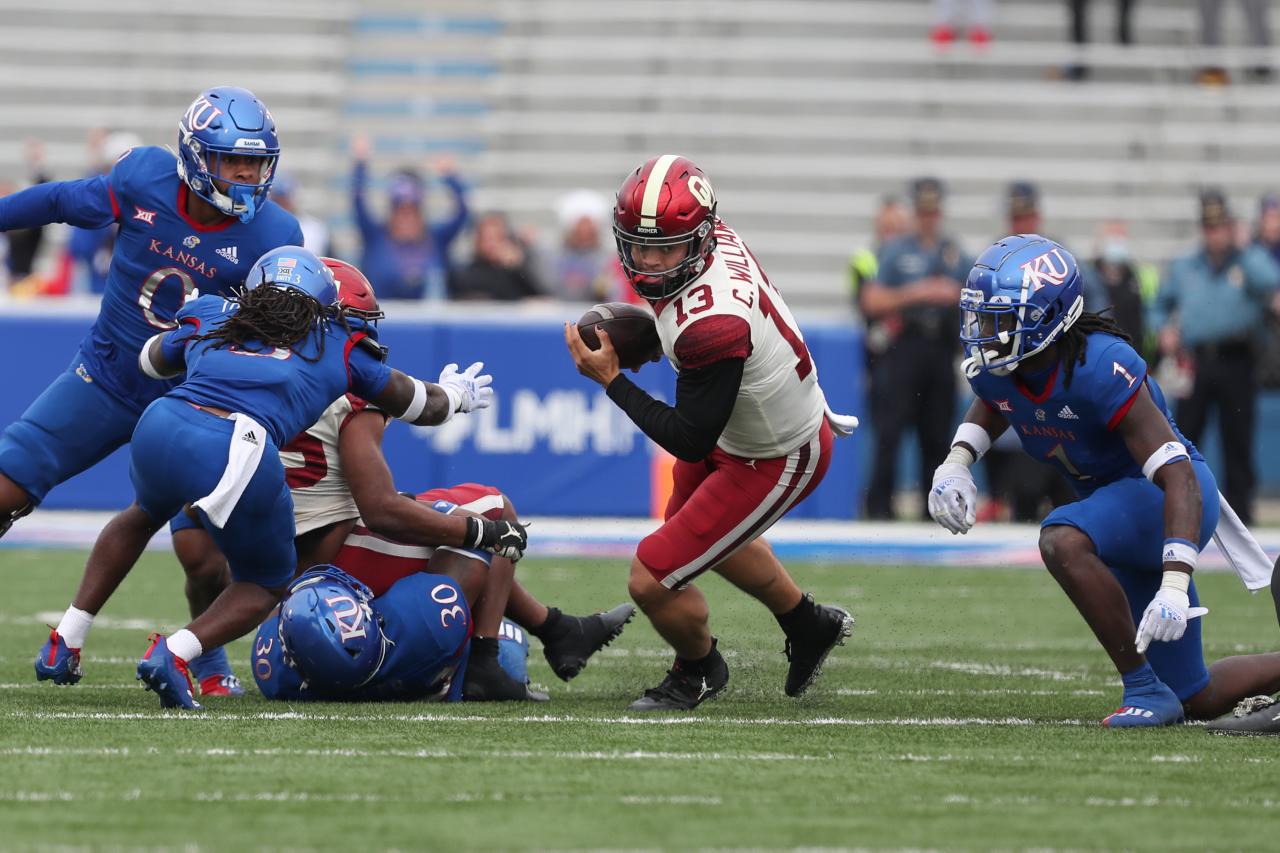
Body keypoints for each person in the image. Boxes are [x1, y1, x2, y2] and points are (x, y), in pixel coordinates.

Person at [35, 247, 515, 710]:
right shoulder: (335, 345)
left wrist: (195, 329)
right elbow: (420, 405)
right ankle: (175, 652)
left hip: (162, 422)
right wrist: (456, 394)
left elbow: (149, 360)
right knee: (266, 583)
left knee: (141, 516)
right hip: (237, 447)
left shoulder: (215, 313)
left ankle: (66, 638)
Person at [3, 87, 303, 694]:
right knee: (5, 485)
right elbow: (62, 201)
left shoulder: (276, 233)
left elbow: (282, 337)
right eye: (233, 160)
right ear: (195, 157)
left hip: (194, 404)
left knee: (201, 556)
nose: (248, 174)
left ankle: (205, 659)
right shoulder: (143, 179)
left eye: (257, 161)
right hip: (107, 379)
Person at [928, 234, 1280, 727]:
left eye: (1000, 318)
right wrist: (958, 461)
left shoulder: (1099, 366)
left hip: (1167, 499)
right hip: (1117, 509)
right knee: (1194, 697)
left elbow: (1178, 475)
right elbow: (997, 400)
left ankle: (1140, 687)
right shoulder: (1003, 367)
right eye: (982, 316)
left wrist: (1176, 582)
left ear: (1046, 316)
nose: (984, 331)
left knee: (1062, 539)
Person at [564, 154, 858, 711]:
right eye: (639, 245)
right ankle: (809, 624)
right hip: (744, 426)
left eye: (665, 248)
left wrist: (611, 381)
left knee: (653, 575)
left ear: (698, 239)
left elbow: (689, 436)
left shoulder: (713, 322)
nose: (649, 262)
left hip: (776, 454)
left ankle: (698, 670)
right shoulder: (707, 238)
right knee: (695, 540)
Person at [1154, 191, 1280, 525]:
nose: (1215, 234)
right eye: (1210, 228)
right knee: (1184, 435)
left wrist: (1243, 248)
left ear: (1230, 227)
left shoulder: (1247, 261)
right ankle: (1181, 505)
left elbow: (1272, 281)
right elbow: (1160, 305)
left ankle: (1241, 513)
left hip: (1238, 359)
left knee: (1237, 438)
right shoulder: (1186, 265)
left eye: (1221, 227)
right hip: (1197, 361)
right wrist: (1162, 331)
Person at [861, 177, 972, 520]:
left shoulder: (954, 252)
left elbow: (973, 296)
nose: (928, 217)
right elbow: (872, 299)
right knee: (890, 431)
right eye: (923, 211)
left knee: (937, 433)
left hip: (940, 346)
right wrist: (920, 292)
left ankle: (935, 508)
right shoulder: (896, 250)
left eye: (933, 210)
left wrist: (951, 294)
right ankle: (879, 508)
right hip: (905, 347)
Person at [350, 135, 468, 300]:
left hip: (429, 322)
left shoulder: (436, 238)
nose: (406, 217)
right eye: (400, 211)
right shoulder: (376, 236)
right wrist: (361, 163)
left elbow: (462, 212)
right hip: (381, 319)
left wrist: (450, 176)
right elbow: (358, 202)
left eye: (412, 211)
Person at [540, 189, 630, 302]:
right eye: (579, 230)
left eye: (589, 230)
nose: (584, 233)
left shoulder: (611, 257)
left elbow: (617, 294)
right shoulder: (552, 256)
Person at [448, 211, 544, 301]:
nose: (491, 244)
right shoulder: (466, 273)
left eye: (496, 238)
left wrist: (517, 267)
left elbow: (540, 297)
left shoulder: (515, 272)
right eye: (487, 238)